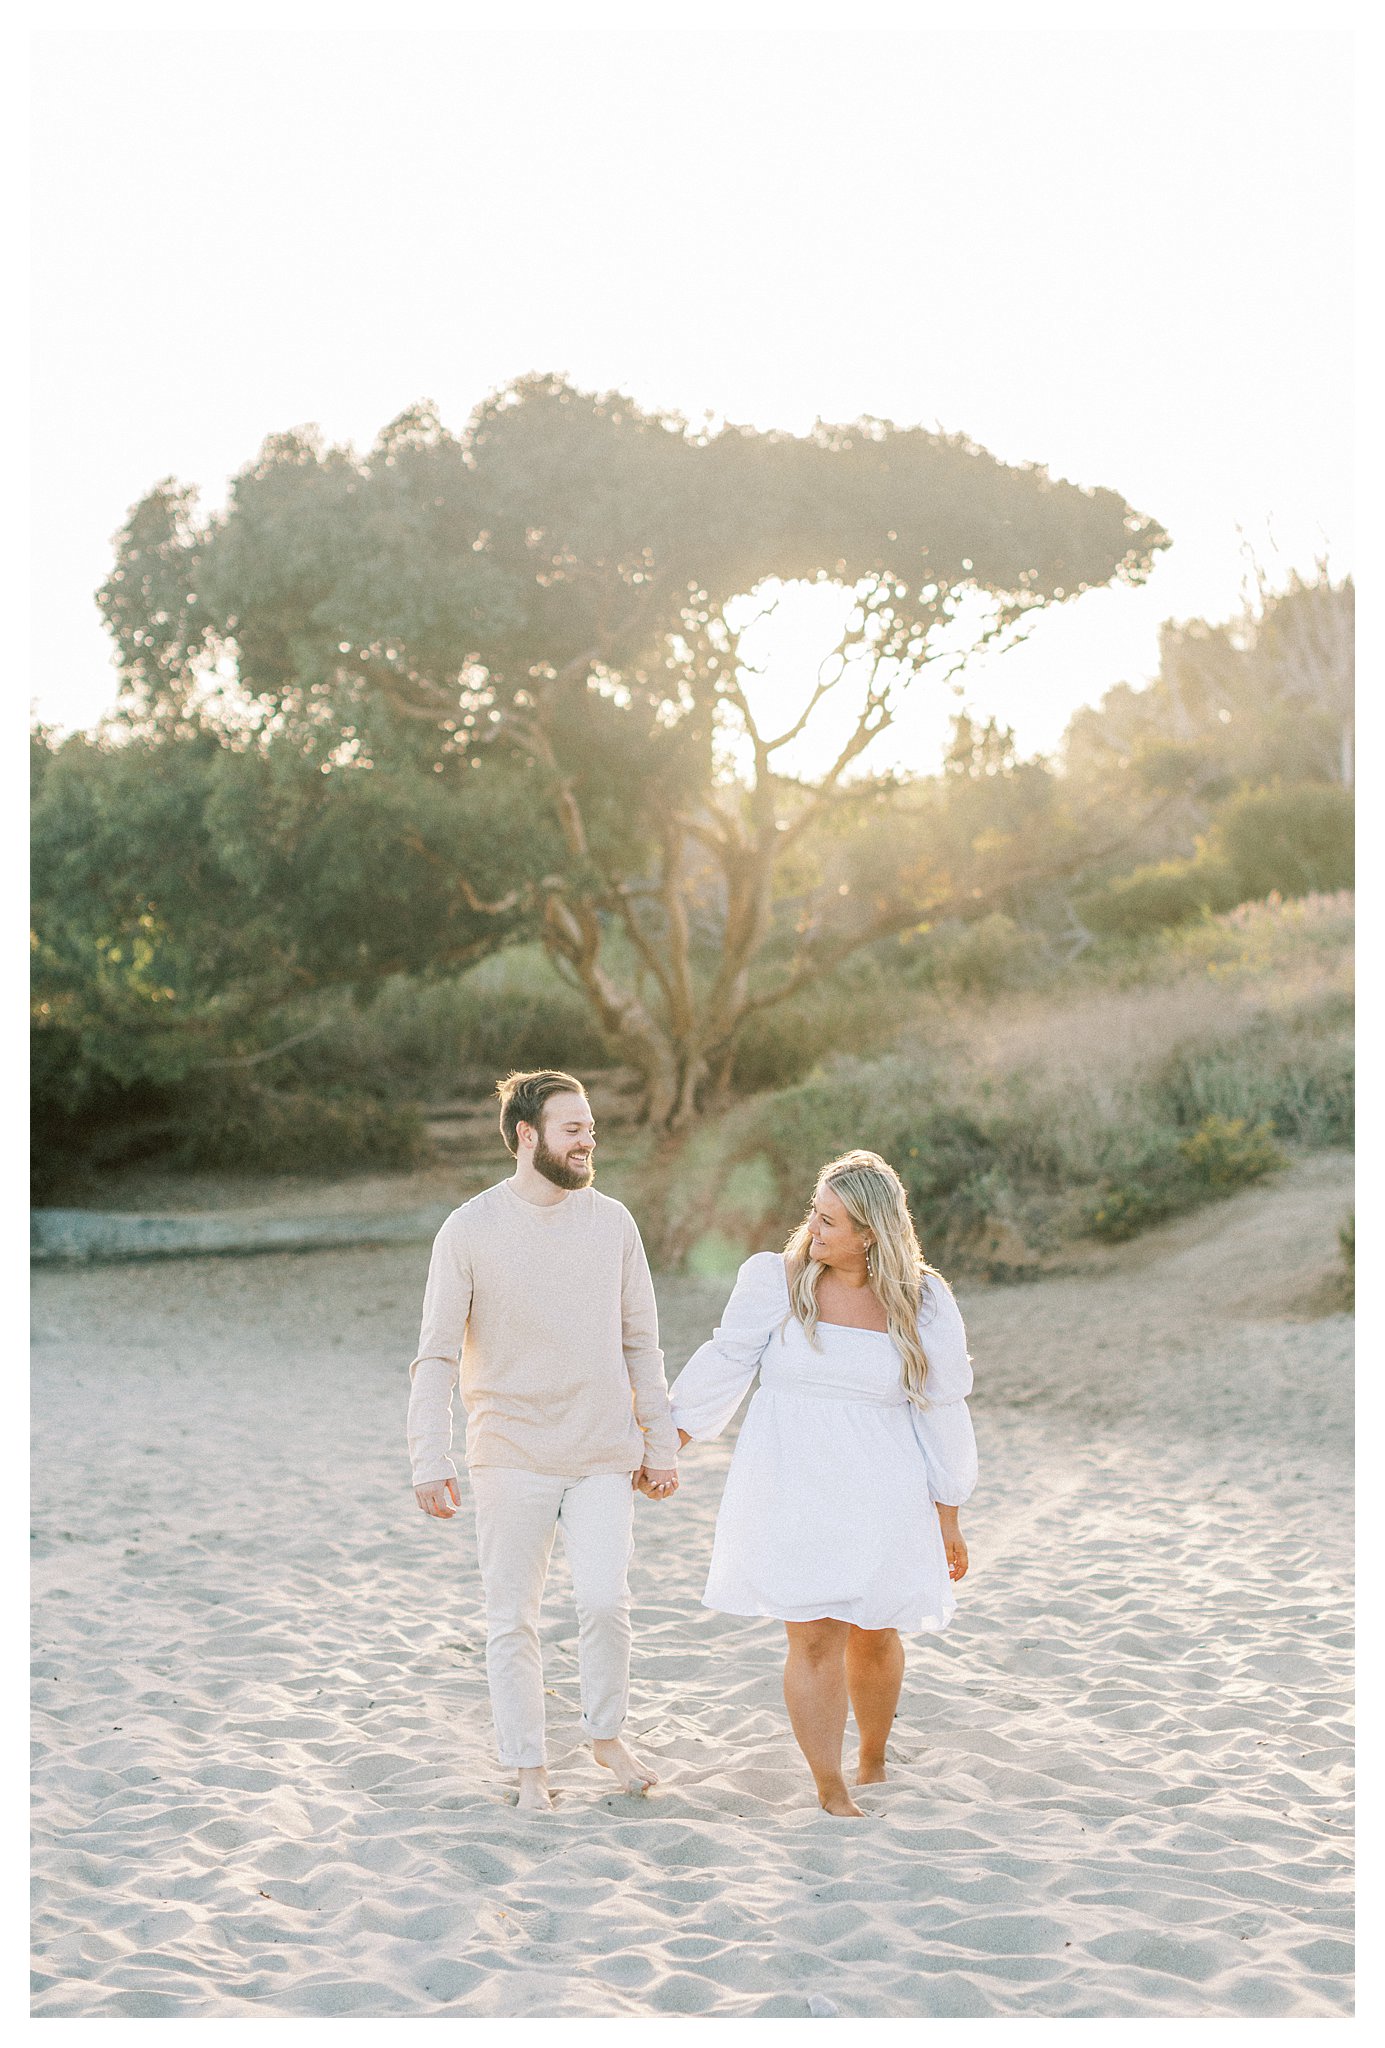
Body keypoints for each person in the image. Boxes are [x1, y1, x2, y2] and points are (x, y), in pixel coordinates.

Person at [669, 1149, 977, 1818]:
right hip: (791, 1482)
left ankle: (871, 1757)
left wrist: (948, 1512)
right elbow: (727, 1361)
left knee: (873, 1629)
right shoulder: (774, 1281)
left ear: (871, 1232)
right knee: (811, 1635)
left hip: (883, 1488)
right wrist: (671, 1440)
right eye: (814, 1213)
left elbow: (942, 1407)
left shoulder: (922, 1300)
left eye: (831, 1221)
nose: (814, 1230)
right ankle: (828, 1785)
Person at [407, 1069, 680, 1812]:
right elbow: (434, 1353)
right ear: (527, 1136)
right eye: (573, 1128)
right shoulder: (469, 1229)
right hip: (509, 1450)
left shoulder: (613, 1223)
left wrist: (660, 1444)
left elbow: (642, 1344)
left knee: (603, 1602)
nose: (589, 1139)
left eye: (590, 1127)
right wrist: (428, 1458)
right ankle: (529, 1769)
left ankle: (604, 1735)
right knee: (512, 1619)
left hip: (600, 1449)